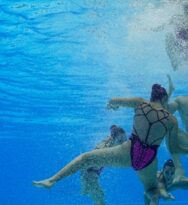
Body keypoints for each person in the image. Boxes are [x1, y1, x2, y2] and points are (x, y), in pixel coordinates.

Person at [33, 84, 179, 205]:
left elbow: (114, 100)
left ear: (151, 96)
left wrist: (112, 105)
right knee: (152, 190)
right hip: (149, 159)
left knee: (85, 159)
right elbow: (173, 149)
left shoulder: (140, 103)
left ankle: (52, 181)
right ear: (164, 98)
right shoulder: (172, 120)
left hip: (129, 151)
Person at [80, 125, 127, 205]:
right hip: (89, 175)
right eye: (120, 141)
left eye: (124, 141)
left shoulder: (110, 144)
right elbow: (86, 162)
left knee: (98, 197)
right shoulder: (103, 148)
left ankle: (85, 188)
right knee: (100, 199)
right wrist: (85, 181)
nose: (123, 144)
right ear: (113, 139)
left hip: (91, 174)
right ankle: (85, 188)